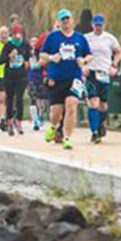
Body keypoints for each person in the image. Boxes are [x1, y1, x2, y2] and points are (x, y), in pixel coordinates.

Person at [41, 10, 93, 150]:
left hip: (74, 78)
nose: (66, 21)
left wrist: (83, 60)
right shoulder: (52, 37)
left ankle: (67, 137)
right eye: (62, 19)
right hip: (56, 78)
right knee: (56, 112)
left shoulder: (79, 38)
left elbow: (89, 55)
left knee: (72, 105)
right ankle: (53, 126)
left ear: (72, 19)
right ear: (58, 21)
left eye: (68, 18)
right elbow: (42, 54)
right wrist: (52, 58)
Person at [84, 14, 121, 144]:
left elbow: (118, 52)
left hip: (105, 73)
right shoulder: (87, 38)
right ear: (92, 25)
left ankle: (100, 124)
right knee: (93, 101)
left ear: (103, 25)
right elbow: (80, 53)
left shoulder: (109, 38)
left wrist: (114, 65)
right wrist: (83, 65)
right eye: (96, 25)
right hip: (91, 73)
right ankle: (94, 132)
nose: (98, 27)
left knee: (103, 105)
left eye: (100, 25)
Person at [0, 24, 31, 136]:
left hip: (21, 76)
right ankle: (9, 122)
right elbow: (0, 61)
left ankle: (19, 122)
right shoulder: (8, 45)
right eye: (15, 34)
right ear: (12, 34)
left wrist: (28, 62)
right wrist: (9, 56)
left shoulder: (25, 44)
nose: (18, 36)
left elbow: (28, 57)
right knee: (10, 99)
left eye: (19, 33)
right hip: (9, 77)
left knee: (19, 98)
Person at [28, 36, 48, 131]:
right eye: (32, 41)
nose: (34, 43)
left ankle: (41, 116)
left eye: (36, 41)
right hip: (32, 77)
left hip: (42, 77)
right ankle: (34, 120)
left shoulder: (43, 53)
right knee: (33, 98)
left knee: (43, 99)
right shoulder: (28, 53)